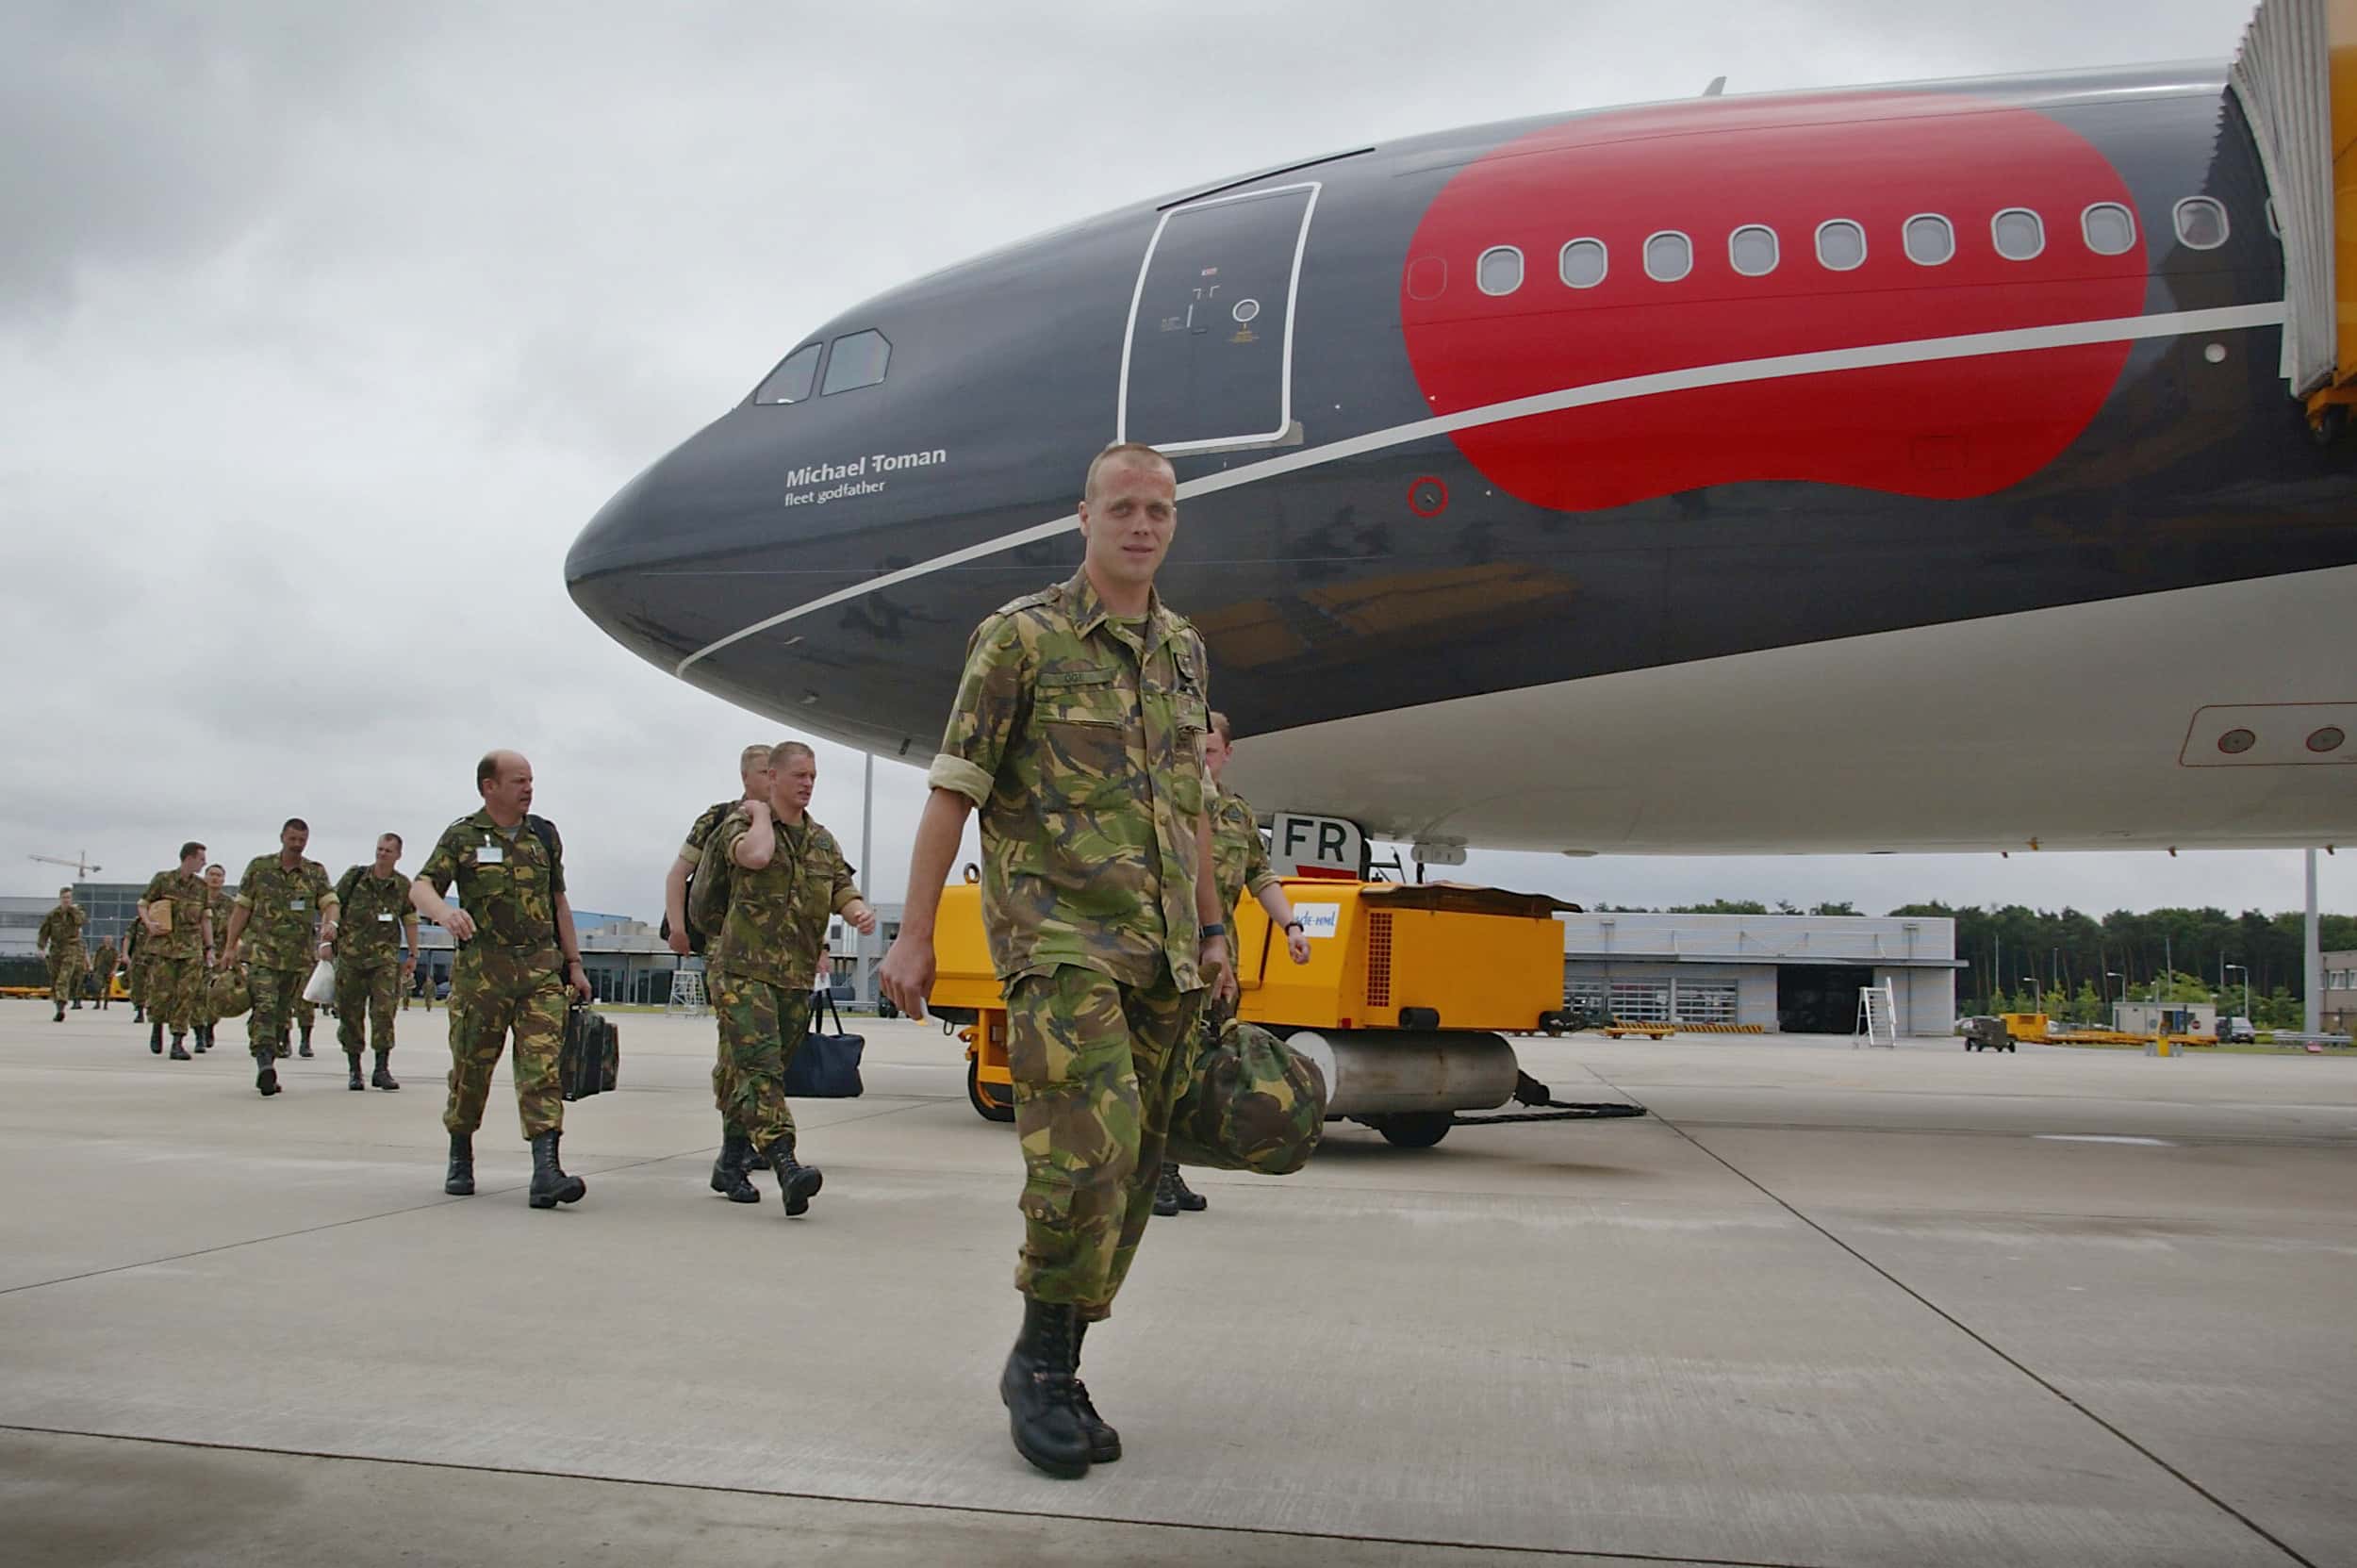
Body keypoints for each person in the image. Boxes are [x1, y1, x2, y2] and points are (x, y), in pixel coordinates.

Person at [878, 441, 1230, 1479]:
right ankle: (1035, 1364)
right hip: (1060, 942)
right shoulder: (1020, 637)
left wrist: (1213, 932)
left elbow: (1193, 807)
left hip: (1164, 953)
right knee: (1089, 1152)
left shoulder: (1182, 649)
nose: (1141, 525)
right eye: (1122, 506)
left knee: (1136, 1166)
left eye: (1159, 510)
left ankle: (1063, 1356)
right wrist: (915, 932)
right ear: (1082, 517)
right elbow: (955, 786)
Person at [410, 751, 595, 1208]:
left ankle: (546, 1171)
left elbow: (559, 903)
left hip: (540, 973)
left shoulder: (544, 836)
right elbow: (420, 886)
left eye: (530, 780)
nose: (528, 788)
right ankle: (460, 1152)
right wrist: (445, 913)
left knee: (542, 1071)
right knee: (472, 1070)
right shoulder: (463, 835)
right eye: (518, 781)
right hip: (483, 976)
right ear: (489, 787)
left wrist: (574, 963)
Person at [1154, 710, 1317, 1217]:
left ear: (1226, 755)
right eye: (1193, 753)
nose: (1200, 762)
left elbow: (1260, 875)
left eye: (1208, 753)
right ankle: (1154, 1172)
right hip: (1171, 960)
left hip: (1220, 964)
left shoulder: (1235, 815)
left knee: (1203, 1071)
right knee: (1165, 1069)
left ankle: (1172, 1166)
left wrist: (1291, 925)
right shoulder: (1165, 805)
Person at [703, 741, 877, 1212]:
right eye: (798, 775)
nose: (807, 784)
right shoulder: (740, 825)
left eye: (813, 777)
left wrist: (857, 910)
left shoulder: (821, 840)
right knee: (760, 1068)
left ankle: (729, 1160)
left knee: (760, 1070)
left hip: (795, 977)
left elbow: (840, 884)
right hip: (742, 969)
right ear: (772, 776)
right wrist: (761, 815)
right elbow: (755, 858)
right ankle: (786, 1164)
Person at [666, 744, 778, 1184]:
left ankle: (752, 1140)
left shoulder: (789, 823)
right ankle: (733, 1153)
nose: (776, 781)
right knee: (739, 1050)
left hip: (775, 958)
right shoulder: (720, 819)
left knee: (767, 1052)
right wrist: (679, 927)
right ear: (749, 777)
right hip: (727, 951)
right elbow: (678, 873)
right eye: (768, 773)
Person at [222, 820, 338, 1096]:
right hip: (261, 953)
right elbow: (242, 909)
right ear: (282, 837)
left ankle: (269, 1062)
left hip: (295, 959)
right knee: (264, 1005)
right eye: (293, 838)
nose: (297, 844)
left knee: (282, 1013)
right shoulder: (260, 869)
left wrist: (330, 925)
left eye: (302, 840)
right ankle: (263, 1061)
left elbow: (330, 902)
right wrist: (229, 946)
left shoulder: (314, 872)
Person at [334, 833, 420, 1091]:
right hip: (351, 957)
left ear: (398, 855)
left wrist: (413, 954)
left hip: (384, 960)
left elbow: (410, 919)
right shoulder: (355, 878)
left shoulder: (403, 885)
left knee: (383, 1013)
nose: (382, 854)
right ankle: (354, 1069)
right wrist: (328, 939)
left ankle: (381, 1069)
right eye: (380, 849)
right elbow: (334, 906)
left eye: (388, 851)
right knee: (350, 1014)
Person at [137, 844, 215, 1061]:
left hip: (191, 948)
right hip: (164, 947)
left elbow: (205, 919)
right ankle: (157, 1026)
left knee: (186, 994)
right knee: (161, 993)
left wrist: (210, 948)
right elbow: (143, 904)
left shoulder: (201, 887)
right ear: (189, 858)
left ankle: (178, 1041)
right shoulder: (163, 880)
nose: (204, 863)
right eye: (201, 859)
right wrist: (149, 923)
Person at [190, 864, 233, 1053]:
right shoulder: (195, 900)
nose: (215, 878)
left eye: (219, 875)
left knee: (215, 995)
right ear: (205, 877)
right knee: (197, 993)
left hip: (220, 956)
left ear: (223, 880)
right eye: (212, 874)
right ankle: (198, 1033)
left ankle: (210, 1026)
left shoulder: (230, 904)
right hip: (196, 952)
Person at [37, 887, 89, 1023]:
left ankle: (61, 1007)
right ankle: (58, 1005)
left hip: (71, 948)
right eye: (64, 897)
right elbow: (44, 932)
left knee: (63, 978)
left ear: (72, 899)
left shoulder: (76, 913)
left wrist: (73, 910)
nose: (66, 900)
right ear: (60, 898)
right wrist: (41, 948)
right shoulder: (53, 915)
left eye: (69, 898)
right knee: (54, 979)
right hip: (55, 950)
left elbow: (82, 921)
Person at [90, 937, 119, 1011]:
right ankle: (97, 1003)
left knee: (107, 988)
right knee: (98, 986)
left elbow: (117, 961)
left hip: (109, 971)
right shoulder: (100, 949)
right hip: (99, 970)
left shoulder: (114, 951)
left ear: (112, 941)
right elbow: (95, 957)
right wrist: (93, 966)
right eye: (107, 939)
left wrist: (114, 970)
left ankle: (106, 1004)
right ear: (104, 940)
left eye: (110, 940)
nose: (108, 941)